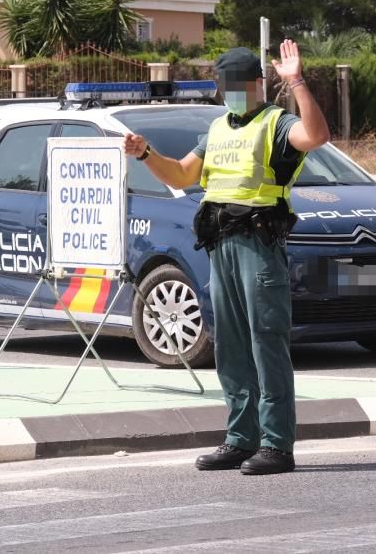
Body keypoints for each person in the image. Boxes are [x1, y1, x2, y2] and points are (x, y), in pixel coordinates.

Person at [124, 41, 330, 475]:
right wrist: (145, 153)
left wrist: (295, 82)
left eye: (240, 83)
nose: (232, 91)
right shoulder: (217, 130)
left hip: (258, 246)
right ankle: (241, 438)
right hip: (222, 247)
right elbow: (181, 174)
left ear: (258, 84)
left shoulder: (277, 123)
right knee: (232, 346)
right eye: (225, 84)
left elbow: (317, 136)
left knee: (266, 341)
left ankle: (276, 444)